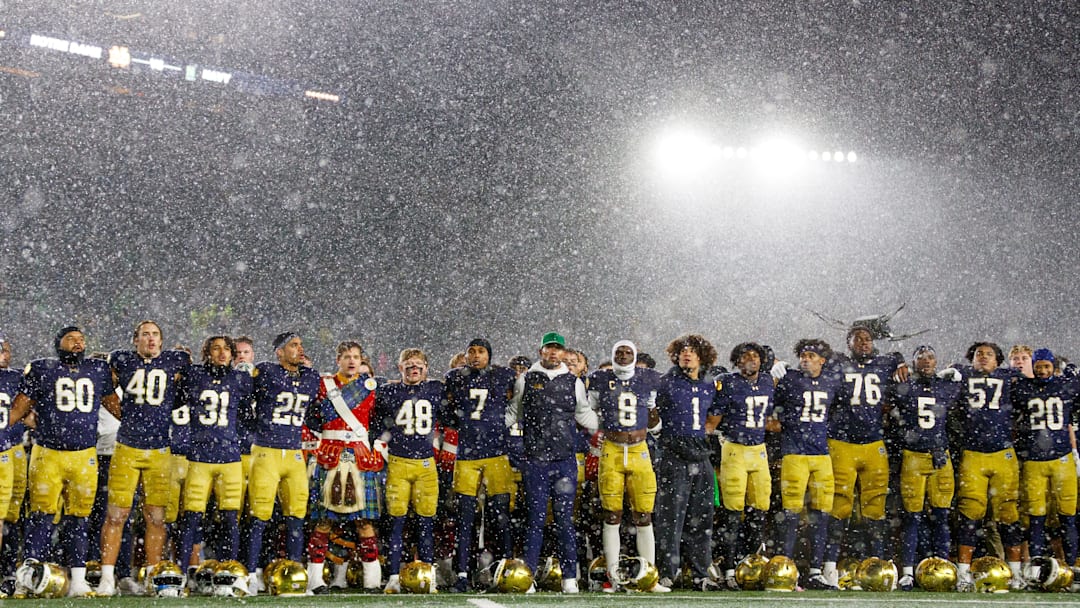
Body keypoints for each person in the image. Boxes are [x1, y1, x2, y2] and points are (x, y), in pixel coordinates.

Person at [9, 326, 119, 597]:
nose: (78, 344)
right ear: (58, 344)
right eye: (71, 340)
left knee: (79, 518)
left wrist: (137, 423)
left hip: (84, 455)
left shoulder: (97, 369)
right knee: (41, 515)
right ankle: (28, 575)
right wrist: (13, 423)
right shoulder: (42, 368)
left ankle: (78, 579)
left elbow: (114, 404)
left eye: (81, 340)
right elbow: (19, 407)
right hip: (48, 453)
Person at [95, 320, 191, 596]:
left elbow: (186, 387)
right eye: (145, 334)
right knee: (116, 515)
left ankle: (152, 576)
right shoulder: (123, 360)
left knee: (156, 518)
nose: (151, 339)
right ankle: (107, 578)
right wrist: (124, 415)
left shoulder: (175, 361)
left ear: (162, 341)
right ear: (135, 339)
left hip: (160, 448)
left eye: (155, 335)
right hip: (127, 446)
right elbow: (105, 389)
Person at [506, 332, 598, 593]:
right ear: (541, 351)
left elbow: (585, 415)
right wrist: (489, 433)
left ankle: (570, 577)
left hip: (564, 460)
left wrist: (608, 430)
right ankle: (528, 576)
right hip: (536, 460)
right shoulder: (526, 379)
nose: (554, 353)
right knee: (534, 520)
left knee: (564, 520)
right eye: (550, 348)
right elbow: (514, 413)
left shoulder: (574, 381)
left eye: (558, 348)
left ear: (562, 352)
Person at [822, 326, 907, 584]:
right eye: (857, 339)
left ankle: (878, 564)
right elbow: (817, 355)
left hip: (873, 444)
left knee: (876, 508)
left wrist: (901, 360)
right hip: (842, 442)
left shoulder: (883, 363)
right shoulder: (838, 362)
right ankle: (829, 567)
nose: (863, 343)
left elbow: (894, 356)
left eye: (867, 339)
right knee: (839, 507)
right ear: (848, 343)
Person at [586, 339, 668, 592]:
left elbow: (654, 414)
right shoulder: (601, 379)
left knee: (644, 514)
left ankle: (648, 576)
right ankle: (614, 576)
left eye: (627, 352)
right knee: (612, 515)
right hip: (611, 448)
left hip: (639, 449)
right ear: (612, 356)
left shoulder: (648, 378)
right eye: (619, 353)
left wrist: (655, 424)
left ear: (635, 355)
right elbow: (591, 411)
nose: (623, 356)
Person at [303, 341, 385, 593]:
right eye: (347, 357)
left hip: (360, 456)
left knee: (364, 521)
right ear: (338, 360)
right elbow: (313, 418)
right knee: (323, 520)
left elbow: (378, 422)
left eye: (356, 357)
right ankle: (314, 581)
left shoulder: (371, 388)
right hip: (330, 455)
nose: (352, 361)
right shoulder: (323, 385)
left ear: (362, 361)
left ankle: (372, 581)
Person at [244, 332, 321, 594]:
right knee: (259, 517)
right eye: (293, 345)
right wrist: (253, 429)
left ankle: (295, 572)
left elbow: (316, 413)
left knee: (297, 517)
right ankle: (252, 573)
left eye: (301, 344)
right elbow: (243, 402)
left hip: (295, 453)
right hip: (266, 451)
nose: (300, 349)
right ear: (279, 352)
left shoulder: (310, 377)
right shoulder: (266, 372)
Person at [175, 336, 255, 581]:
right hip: (200, 455)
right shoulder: (194, 375)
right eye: (216, 349)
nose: (222, 353)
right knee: (192, 517)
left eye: (226, 349)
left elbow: (246, 415)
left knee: (231, 518)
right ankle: (185, 570)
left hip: (230, 456)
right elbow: (177, 399)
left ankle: (227, 569)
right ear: (207, 353)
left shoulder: (240, 379)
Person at [443, 338, 517, 592]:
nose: (476, 356)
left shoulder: (503, 375)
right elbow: (446, 408)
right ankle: (463, 573)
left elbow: (516, 399)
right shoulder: (455, 377)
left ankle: (504, 570)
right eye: (471, 352)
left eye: (481, 352)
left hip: (497, 454)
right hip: (467, 456)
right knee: (465, 518)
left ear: (489, 355)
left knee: (500, 516)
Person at [950, 342, 1025, 591]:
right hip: (973, 453)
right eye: (979, 354)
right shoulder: (962, 375)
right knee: (969, 514)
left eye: (989, 354)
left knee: (1009, 514)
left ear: (998, 361)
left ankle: (1016, 574)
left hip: (1003, 453)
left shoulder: (1008, 376)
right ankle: (963, 574)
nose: (983, 357)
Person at [888, 345, 962, 590]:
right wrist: (898, 361)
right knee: (912, 517)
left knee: (941, 517)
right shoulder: (906, 385)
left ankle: (942, 565)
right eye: (921, 358)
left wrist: (960, 371)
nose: (927, 362)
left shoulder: (946, 385)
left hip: (941, 456)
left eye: (931, 357)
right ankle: (908, 571)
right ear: (914, 362)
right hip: (914, 457)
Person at [372, 348, 445, 594]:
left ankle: (428, 576)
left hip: (426, 464)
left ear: (426, 367)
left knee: (426, 523)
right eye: (408, 364)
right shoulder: (388, 392)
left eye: (418, 365)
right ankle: (393, 577)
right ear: (399, 367)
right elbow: (375, 422)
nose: (414, 368)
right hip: (398, 463)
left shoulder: (436, 389)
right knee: (396, 523)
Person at [773, 339, 842, 589]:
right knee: (791, 514)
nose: (805, 359)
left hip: (821, 454)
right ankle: (786, 569)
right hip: (795, 453)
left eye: (811, 355)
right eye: (803, 355)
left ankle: (815, 571)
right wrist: (774, 362)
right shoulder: (791, 379)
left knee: (822, 515)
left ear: (822, 360)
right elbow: (773, 405)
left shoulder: (832, 380)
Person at [653, 334, 720, 591]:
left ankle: (700, 573)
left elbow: (713, 417)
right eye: (682, 350)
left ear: (702, 355)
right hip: (674, 454)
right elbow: (653, 415)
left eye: (692, 350)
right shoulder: (666, 382)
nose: (686, 354)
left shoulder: (709, 384)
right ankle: (667, 572)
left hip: (700, 455)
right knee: (671, 518)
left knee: (702, 518)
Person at [711, 342, 776, 589]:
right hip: (734, 448)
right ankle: (729, 566)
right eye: (745, 356)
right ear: (736, 362)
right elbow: (713, 419)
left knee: (759, 510)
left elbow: (772, 416)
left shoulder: (769, 381)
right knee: (732, 511)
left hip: (759, 450)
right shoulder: (728, 382)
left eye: (755, 356)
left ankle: (752, 563)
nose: (751, 359)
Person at [1012, 348, 1079, 580]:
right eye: (1038, 366)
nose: (1042, 371)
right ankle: (1036, 568)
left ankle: (1071, 567)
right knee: (1036, 518)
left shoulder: (1066, 385)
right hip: (1034, 460)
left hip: (1062, 458)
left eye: (1046, 367)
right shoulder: (1024, 388)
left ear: (1054, 367)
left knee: (1067, 516)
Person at [0, 335, 23, 588]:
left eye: (6, 350)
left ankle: (8, 569)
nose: (4, 354)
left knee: (11, 517)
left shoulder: (16, 377)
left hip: (11, 451)